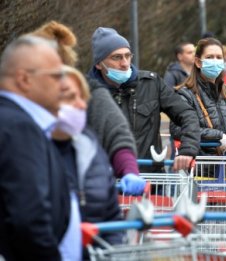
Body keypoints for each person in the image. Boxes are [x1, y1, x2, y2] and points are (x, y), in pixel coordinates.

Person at [32, 20, 145, 195]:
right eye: (117, 57)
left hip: (86, 194)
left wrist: (129, 170)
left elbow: (116, 133)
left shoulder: (89, 91)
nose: (124, 63)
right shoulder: (18, 104)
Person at [88, 27, 200, 173]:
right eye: (116, 57)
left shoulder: (151, 83)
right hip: (106, 181)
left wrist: (188, 149)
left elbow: (187, 114)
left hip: (150, 178)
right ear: (98, 63)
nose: (125, 63)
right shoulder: (86, 92)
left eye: (128, 56)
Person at [0, 35, 71, 260]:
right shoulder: (20, 127)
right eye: (56, 76)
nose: (64, 85)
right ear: (24, 79)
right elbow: (29, 219)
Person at [53, 65, 123, 259]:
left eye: (82, 98)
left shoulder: (91, 150)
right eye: (69, 97)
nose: (81, 105)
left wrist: (106, 254)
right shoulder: (26, 151)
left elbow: (113, 219)